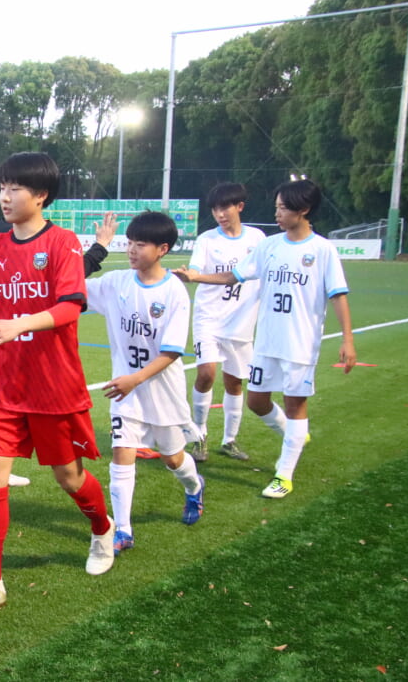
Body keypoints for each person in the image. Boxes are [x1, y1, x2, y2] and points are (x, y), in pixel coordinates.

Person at [0, 152, 116, 615]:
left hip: (53, 386)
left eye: (16, 188)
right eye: (2, 186)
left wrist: (18, 324)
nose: (5, 196)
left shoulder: (62, 242)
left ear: (41, 195)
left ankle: (102, 529)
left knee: (69, 477)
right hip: (4, 387)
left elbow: (71, 306)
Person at [176, 179, 355, 498]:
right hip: (266, 340)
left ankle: (284, 475)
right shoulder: (268, 246)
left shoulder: (322, 250)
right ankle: (293, 434)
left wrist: (348, 340)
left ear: (304, 209)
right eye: (276, 207)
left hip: (300, 342)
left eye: (283, 208)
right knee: (256, 401)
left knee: (294, 403)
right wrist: (196, 277)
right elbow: (233, 276)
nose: (277, 214)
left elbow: (338, 295)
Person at [0, 217, 116, 485]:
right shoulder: (13, 237)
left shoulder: (11, 234)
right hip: (12, 334)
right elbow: (69, 275)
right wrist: (100, 247)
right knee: (5, 398)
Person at [86, 211, 205, 558]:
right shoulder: (116, 283)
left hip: (160, 390)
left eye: (140, 244)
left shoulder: (174, 292)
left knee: (172, 458)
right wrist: (96, 249)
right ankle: (123, 529)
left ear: (162, 249)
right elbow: (71, 286)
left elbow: (171, 352)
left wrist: (134, 379)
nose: (132, 250)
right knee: (122, 452)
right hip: (126, 392)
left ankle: (194, 487)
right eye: (130, 243)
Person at [185, 182, 266, 462]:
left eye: (225, 208)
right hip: (208, 317)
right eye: (215, 209)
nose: (219, 214)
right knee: (206, 374)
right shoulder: (207, 240)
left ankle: (230, 440)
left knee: (234, 382)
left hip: (241, 321)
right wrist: (192, 274)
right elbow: (195, 269)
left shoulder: (257, 239)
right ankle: (199, 436)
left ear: (239, 206)